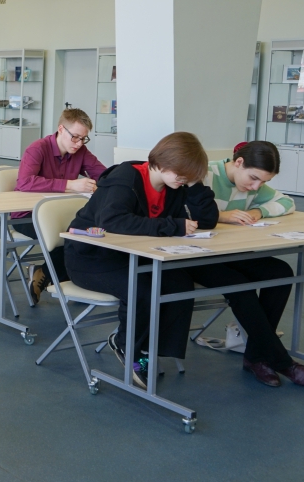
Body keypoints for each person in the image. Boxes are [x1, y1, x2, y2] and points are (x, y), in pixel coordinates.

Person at [64, 132, 218, 388]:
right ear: (163, 162)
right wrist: (172, 226)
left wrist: (194, 182)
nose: (183, 180)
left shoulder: (174, 185)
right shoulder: (126, 178)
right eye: (181, 174)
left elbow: (208, 220)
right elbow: (112, 221)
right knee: (142, 289)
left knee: (179, 283)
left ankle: (149, 348)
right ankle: (127, 345)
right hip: (91, 258)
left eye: (187, 176)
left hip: (132, 257)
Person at [190, 141, 304, 387]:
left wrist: (258, 212)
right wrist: (222, 216)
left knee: (281, 273)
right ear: (238, 162)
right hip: (195, 256)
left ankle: (255, 357)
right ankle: (282, 361)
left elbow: (287, 202)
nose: (255, 187)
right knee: (239, 285)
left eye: (262, 182)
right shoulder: (205, 173)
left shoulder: (253, 185)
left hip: (231, 252)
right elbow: (184, 210)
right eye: (253, 179)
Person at [14, 108, 108, 301]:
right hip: (27, 215)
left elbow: (104, 174)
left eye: (83, 139)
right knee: (70, 236)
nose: (79, 143)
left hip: (60, 215)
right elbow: (25, 182)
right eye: (75, 137)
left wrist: (110, 182)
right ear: (61, 129)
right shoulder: (37, 149)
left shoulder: (80, 151)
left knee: (88, 233)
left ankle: (46, 273)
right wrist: (70, 185)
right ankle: (56, 276)